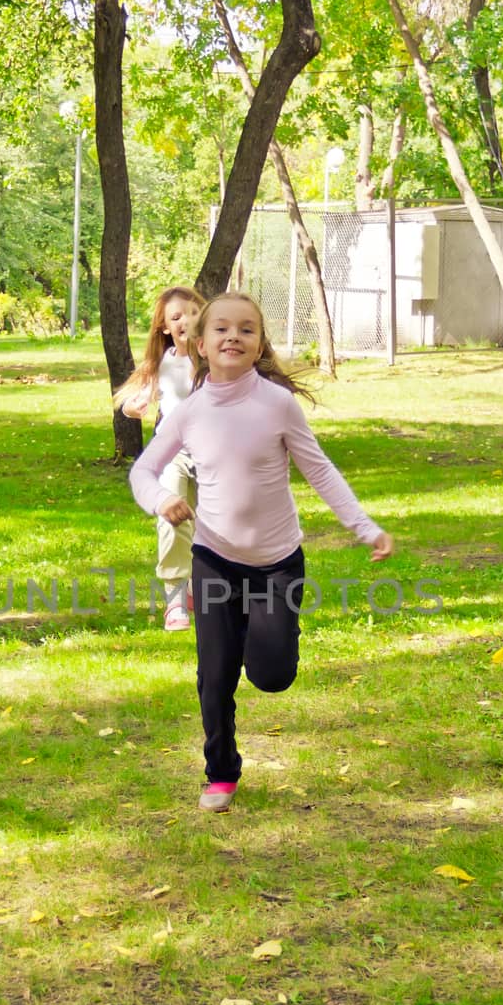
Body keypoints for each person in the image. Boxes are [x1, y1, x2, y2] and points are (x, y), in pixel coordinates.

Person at [130, 291, 393, 811]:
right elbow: (142, 471)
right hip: (214, 559)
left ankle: (258, 633)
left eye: (246, 330)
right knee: (215, 674)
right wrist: (162, 499)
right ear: (199, 344)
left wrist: (365, 528)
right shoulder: (189, 413)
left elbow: (319, 469)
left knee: (272, 676)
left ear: (258, 345)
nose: (233, 336)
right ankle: (220, 772)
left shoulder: (276, 403)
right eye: (222, 329)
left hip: (276, 563)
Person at [114, 286, 205, 631]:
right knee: (172, 516)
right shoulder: (163, 362)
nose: (186, 320)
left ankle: (205, 587)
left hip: (215, 455)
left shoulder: (218, 358)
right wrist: (132, 406)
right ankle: (176, 598)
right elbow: (135, 397)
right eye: (176, 317)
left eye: (193, 312)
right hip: (174, 452)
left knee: (209, 524)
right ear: (165, 328)